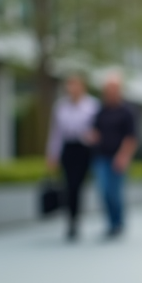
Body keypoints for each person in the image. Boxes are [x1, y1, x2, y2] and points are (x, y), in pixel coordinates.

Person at [45, 74, 99, 241]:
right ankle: (71, 221)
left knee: (78, 185)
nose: (72, 88)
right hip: (68, 149)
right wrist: (52, 154)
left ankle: (76, 219)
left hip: (84, 149)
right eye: (69, 85)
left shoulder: (92, 106)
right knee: (69, 185)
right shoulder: (61, 106)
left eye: (75, 85)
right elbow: (56, 133)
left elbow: (97, 129)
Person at [90, 73, 137, 238]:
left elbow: (131, 137)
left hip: (118, 157)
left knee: (114, 192)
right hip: (101, 157)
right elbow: (95, 131)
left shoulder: (126, 112)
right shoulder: (101, 111)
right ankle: (110, 222)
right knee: (103, 190)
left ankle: (118, 222)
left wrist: (124, 156)